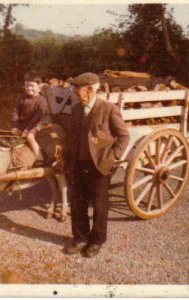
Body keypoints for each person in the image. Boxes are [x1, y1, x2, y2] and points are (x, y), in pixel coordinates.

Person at [64, 72, 130, 258]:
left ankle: (96, 240)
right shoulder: (76, 109)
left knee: (99, 206)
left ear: (91, 90)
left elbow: (123, 136)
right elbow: (71, 137)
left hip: (99, 166)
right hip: (78, 164)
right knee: (77, 203)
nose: (76, 95)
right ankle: (80, 238)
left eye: (78, 91)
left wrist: (113, 157)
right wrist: (65, 159)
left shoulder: (108, 109)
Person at [11, 70, 47, 160]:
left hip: (36, 124)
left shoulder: (41, 101)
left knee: (30, 136)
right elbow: (15, 111)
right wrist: (15, 126)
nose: (29, 88)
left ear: (39, 86)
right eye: (27, 85)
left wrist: (27, 129)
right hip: (23, 123)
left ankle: (40, 159)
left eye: (32, 86)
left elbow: (37, 117)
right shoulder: (21, 98)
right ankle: (17, 159)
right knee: (12, 135)